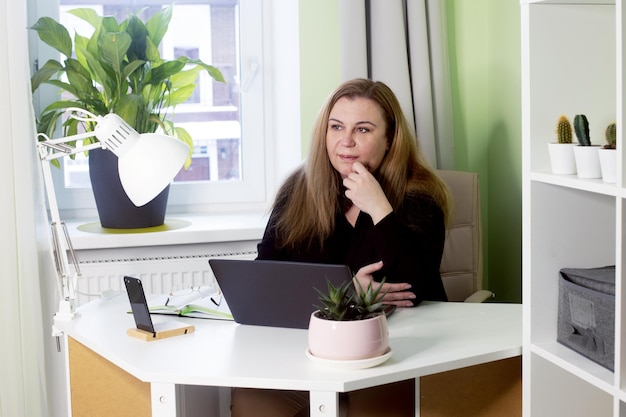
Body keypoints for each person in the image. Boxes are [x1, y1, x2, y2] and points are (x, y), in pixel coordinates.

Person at [230, 78, 452, 417]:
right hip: (308, 353)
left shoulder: (419, 198)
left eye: (363, 130)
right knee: (252, 403)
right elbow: (267, 277)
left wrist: (379, 207)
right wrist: (350, 295)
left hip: (393, 354)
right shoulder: (298, 191)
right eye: (336, 127)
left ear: (390, 139)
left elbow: (414, 287)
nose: (345, 141)